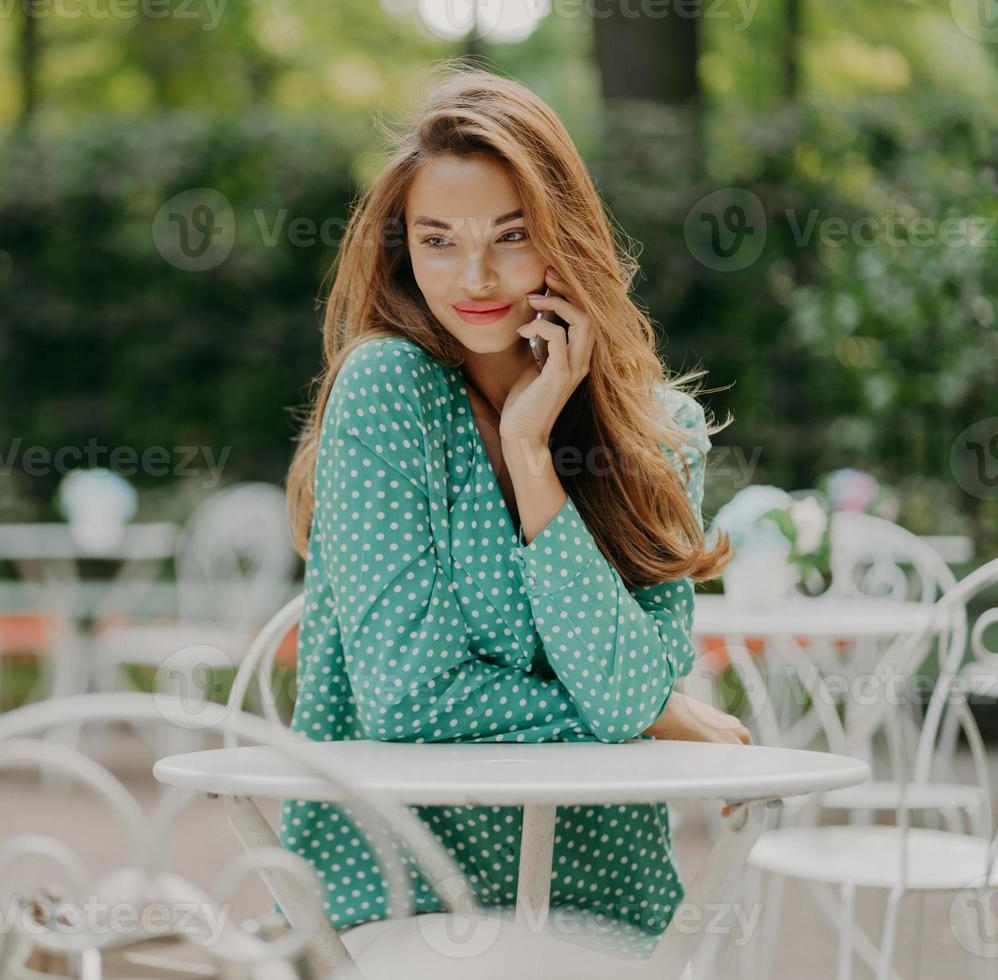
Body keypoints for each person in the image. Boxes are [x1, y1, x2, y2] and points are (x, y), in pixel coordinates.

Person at [279, 66, 749, 952]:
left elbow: (627, 688)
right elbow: (409, 701)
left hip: (606, 894)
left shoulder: (662, 437)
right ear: (402, 253)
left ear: (562, 236)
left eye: (512, 235)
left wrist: (535, 458)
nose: (477, 276)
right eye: (439, 241)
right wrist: (652, 716)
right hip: (398, 893)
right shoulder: (388, 393)